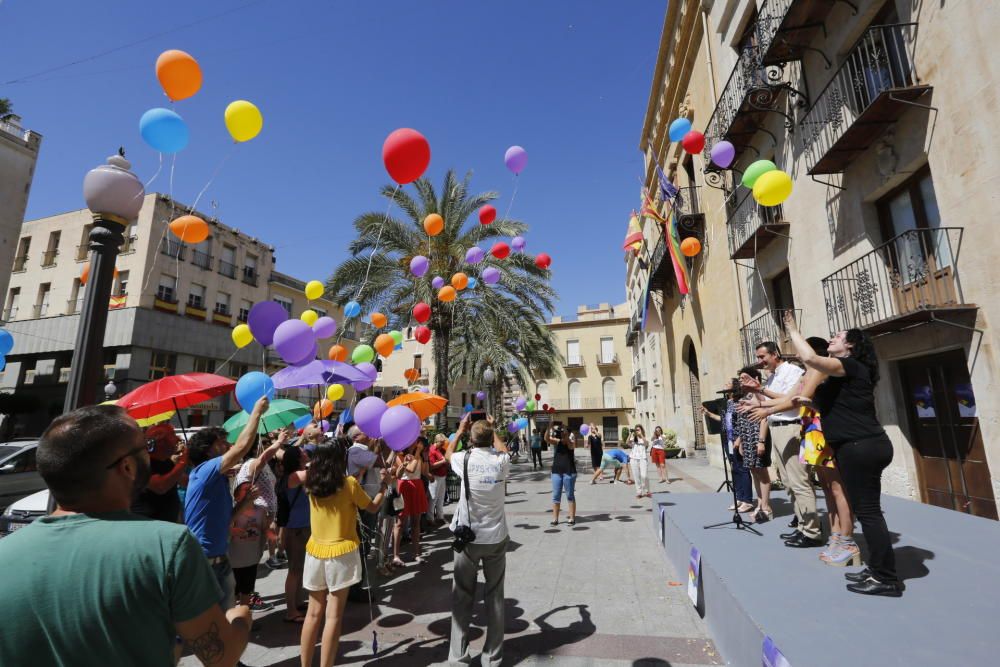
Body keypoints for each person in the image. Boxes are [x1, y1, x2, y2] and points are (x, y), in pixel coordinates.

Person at [0, 405, 252, 667]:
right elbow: (221, 656)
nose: (151, 452)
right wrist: (240, 618)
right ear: (128, 467)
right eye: (145, 447)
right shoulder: (169, 546)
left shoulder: (5, 554)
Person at [785, 314, 902, 596]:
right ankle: (878, 569)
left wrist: (792, 330)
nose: (832, 339)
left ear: (850, 346)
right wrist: (808, 400)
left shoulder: (851, 365)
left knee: (869, 513)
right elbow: (836, 406)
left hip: (861, 446)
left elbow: (812, 360)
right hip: (856, 446)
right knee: (868, 511)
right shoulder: (841, 378)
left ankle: (885, 577)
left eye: (837, 336)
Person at [748, 334, 858, 565]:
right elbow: (787, 399)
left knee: (818, 485)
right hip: (794, 428)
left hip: (804, 428)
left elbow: (794, 401)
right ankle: (810, 527)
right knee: (803, 484)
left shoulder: (798, 372)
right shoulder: (787, 375)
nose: (759, 360)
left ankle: (818, 532)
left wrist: (764, 407)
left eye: (762, 356)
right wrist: (759, 398)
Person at [293, 440, 390, 667]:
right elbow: (372, 507)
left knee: (313, 614)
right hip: (342, 553)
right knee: (333, 616)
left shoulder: (311, 482)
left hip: (315, 551)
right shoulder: (348, 484)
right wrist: (385, 487)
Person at [184, 398, 268, 610]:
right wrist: (256, 412)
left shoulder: (217, 478)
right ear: (208, 451)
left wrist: (245, 502)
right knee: (204, 625)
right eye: (222, 443)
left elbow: (225, 521)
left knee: (223, 621)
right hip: (204, 562)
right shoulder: (204, 471)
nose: (228, 446)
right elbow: (241, 448)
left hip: (220, 560)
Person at [445, 414, 511, 667]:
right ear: (491, 437)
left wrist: (460, 430)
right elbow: (503, 449)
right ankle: (492, 658)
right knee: (495, 597)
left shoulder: (465, 458)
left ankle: (458, 657)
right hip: (495, 537)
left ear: (472, 438)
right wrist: (493, 429)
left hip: (468, 539)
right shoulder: (501, 461)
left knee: (462, 596)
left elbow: (448, 454)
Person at [749, 341, 820, 547]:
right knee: (788, 483)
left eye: (762, 357)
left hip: (791, 427)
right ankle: (802, 526)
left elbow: (790, 400)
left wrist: (762, 393)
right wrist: (756, 394)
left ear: (775, 354)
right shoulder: (772, 377)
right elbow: (772, 401)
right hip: (777, 427)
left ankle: (812, 531)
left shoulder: (792, 371)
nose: (759, 361)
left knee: (799, 481)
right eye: (758, 357)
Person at [231, 430, 287, 609]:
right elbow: (262, 460)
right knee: (244, 566)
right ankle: (241, 606)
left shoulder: (251, 465)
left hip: (260, 519)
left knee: (252, 560)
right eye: (261, 442)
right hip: (250, 519)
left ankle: (245, 601)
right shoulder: (251, 464)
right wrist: (277, 443)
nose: (264, 444)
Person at [704, 387, 754, 512]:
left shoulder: (740, 402)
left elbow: (744, 422)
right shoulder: (728, 403)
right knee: (734, 469)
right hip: (728, 440)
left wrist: (740, 439)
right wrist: (708, 414)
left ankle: (747, 500)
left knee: (743, 469)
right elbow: (725, 422)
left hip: (737, 440)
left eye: (728, 384)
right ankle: (739, 498)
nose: (724, 387)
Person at [280, 444, 312, 623]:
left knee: (298, 569)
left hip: (300, 527)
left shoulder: (292, 475)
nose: (305, 454)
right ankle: (291, 611)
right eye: (302, 453)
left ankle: (298, 603)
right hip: (297, 529)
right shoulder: (295, 476)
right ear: (296, 459)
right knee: (294, 570)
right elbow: (317, 473)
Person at [131, 422, 187, 522]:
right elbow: (160, 486)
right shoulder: (143, 463)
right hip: (147, 525)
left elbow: (184, 482)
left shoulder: (167, 462)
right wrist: (183, 462)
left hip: (167, 524)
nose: (178, 439)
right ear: (161, 441)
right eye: (173, 434)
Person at [391, 438, 429, 566]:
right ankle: (396, 555)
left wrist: (425, 458)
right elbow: (410, 469)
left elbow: (424, 472)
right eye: (415, 441)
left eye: (419, 442)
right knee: (400, 523)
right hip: (404, 487)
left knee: (416, 522)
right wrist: (418, 452)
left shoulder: (419, 455)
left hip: (417, 487)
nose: (418, 443)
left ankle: (416, 553)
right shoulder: (400, 455)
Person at [547, 422, 578, 526]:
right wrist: (549, 427)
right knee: (556, 496)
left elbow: (570, 445)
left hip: (569, 471)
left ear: (568, 433)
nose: (562, 434)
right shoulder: (557, 441)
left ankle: (572, 518)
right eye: (561, 432)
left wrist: (566, 433)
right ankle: (555, 519)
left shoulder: (571, 441)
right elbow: (546, 439)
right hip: (556, 471)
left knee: (570, 495)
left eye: (564, 432)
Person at [428, 434, 449, 524]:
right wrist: (443, 461)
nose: (443, 444)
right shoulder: (432, 450)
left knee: (440, 497)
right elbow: (431, 466)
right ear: (437, 441)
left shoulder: (441, 450)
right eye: (442, 442)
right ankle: (430, 518)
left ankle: (440, 517)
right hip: (435, 476)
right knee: (433, 497)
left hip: (442, 476)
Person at [628, 425, 651, 498]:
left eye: (638, 430)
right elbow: (627, 443)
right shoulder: (633, 438)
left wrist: (641, 435)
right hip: (633, 459)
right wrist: (630, 434)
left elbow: (646, 444)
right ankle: (639, 492)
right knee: (636, 476)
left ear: (641, 430)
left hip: (642, 459)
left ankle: (647, 491)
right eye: (636, 430)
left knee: (644, 476)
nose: (637, 431)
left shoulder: (644, 438)